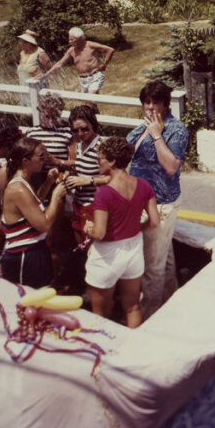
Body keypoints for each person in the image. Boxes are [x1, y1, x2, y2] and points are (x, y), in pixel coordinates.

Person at [127, 81, 188, 319]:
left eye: (155, 102)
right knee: (164, 257)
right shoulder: (143, 126)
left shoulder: (175, 130)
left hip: (160, 203)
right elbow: (127, 151)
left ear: (165, 104)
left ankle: (149, 314)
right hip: (140, 200)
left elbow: (171, 166)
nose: (150, 107)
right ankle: (171, 303)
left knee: (152, 266)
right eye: (146, 102)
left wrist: (155, 136)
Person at [83, 137, 160, 328]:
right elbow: (155, 222)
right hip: (134, 249)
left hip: (107, 255)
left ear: (112, 161)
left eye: (99, 159)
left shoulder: (103, 193)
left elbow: (99, 233)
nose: (97, 163)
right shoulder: (144, 185)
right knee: (132, 307)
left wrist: (89, 229)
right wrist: (137, 228)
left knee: (101, 313)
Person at [0, 137, 68, 288]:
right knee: (27, 296)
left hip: (33, 250)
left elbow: (33, 205)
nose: (46, 159)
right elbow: (45, 225)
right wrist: (56, 196)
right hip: (24, 255)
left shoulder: (24, 182)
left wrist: (48, 182)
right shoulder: (18, 188)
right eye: (41, 156)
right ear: (25, 161)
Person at [63, 104, 103, 247]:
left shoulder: (101, 148)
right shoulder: (78, 145)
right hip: (78, 203)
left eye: (84, 129)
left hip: (95, 205)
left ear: (93, 125)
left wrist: (88, 180)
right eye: (75, 130)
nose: (80, 133)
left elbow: (114, 178)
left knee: (92, 248)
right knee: (80, 245)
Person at [35, 27, 116, 94]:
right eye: (69, 39)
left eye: (72, 40)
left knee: (90, 100)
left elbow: (110, 50)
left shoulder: (90, 45)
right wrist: (45, 75)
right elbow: (59, 64)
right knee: (89, 104)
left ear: (80, 38)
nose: (69, 42)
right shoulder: (71, 50)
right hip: (83, 80)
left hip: (95, 77)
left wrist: (104, 64)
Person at [25, 92, 73, 170]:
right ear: (40, 113)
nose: (50, 120)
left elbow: (75, 163)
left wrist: (56, 161)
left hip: (59, 174)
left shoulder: (67, 133)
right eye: (47, 116)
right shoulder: (31, 133)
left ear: (60, 114)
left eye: (54, 117)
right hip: (37, 174)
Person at [16, 30, 52, 106]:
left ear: (28, 43)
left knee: (38, 109)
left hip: (37, 89)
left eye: (21, 42)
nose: (19, 43)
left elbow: (50, 69)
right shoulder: (22, 53)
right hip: (24, 89)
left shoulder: (40, 54)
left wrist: (43, 76)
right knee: (26, 111)